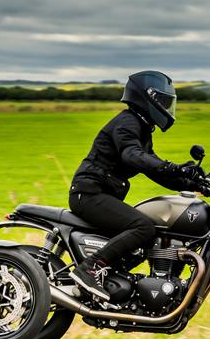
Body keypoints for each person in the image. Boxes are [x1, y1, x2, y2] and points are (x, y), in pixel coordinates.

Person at [68, 70, 202, 300]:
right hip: (89, 194)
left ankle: (112, 278)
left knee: (150, 234)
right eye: (164, 101)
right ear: (148, 98)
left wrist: (194, 181)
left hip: (100, 194)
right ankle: (89, 268)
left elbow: (155, 171)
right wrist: (173, 166)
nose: (167, 107)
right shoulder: (127, 123)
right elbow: (133, 156)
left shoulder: (141, 128)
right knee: (144, 227)